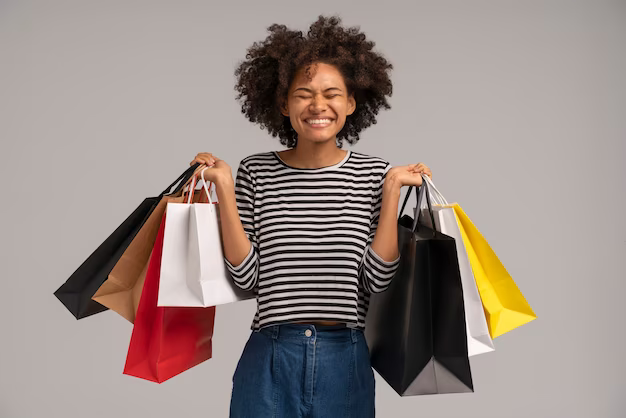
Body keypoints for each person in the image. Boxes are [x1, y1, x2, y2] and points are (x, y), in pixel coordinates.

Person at [190, 15, 432, 418]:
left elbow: (379, 279)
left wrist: (390, 193)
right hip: (270, 356)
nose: (318, 105)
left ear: (352, 102)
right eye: (303, 94)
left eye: (332, 93)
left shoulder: (375, 175)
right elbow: (247, 280)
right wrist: (226, 191)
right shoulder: (256, 172)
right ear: (284, 103)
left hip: (346, 358)